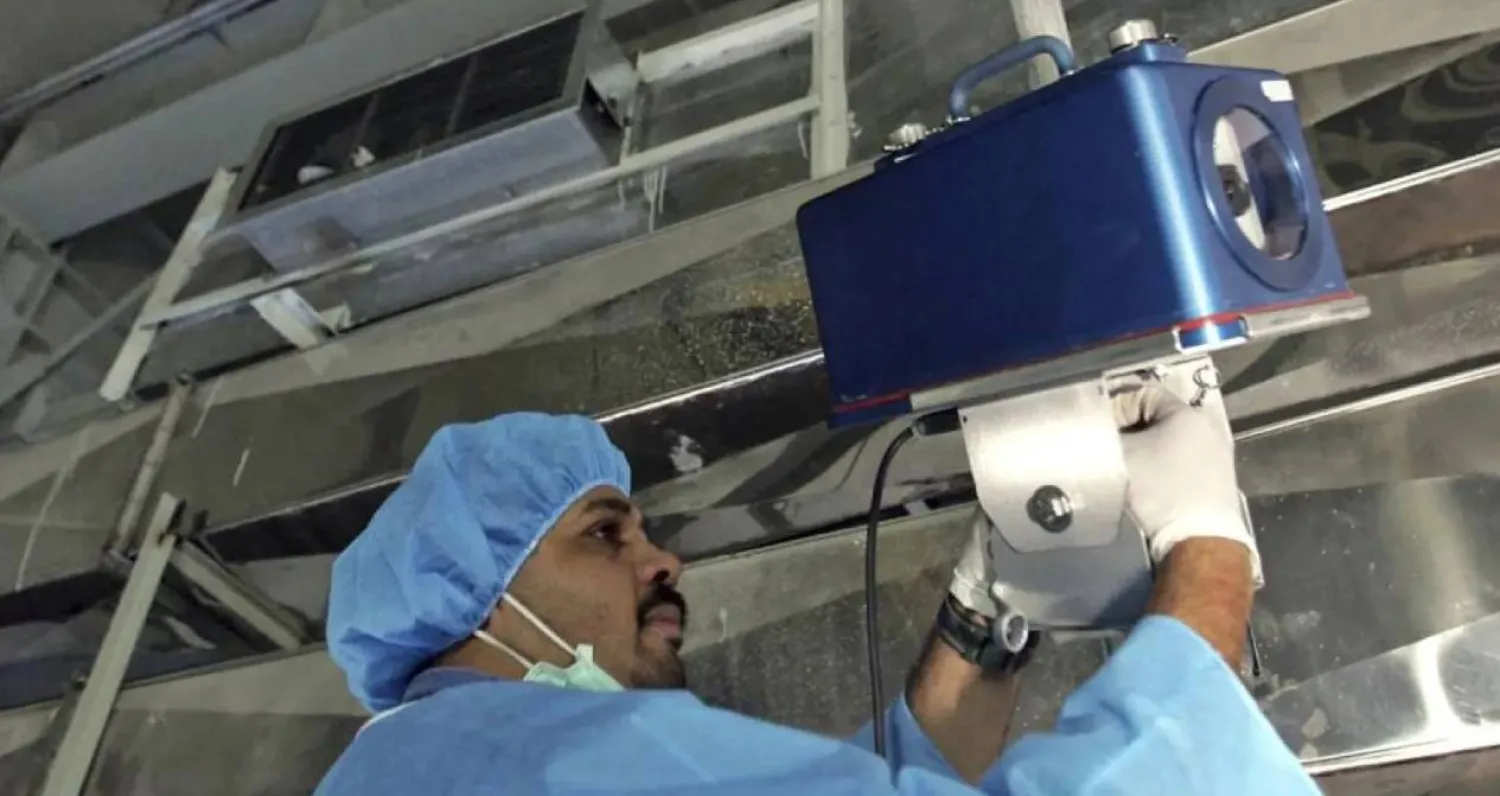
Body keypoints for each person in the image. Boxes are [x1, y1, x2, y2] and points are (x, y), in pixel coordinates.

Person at [314, 385, 1317, 795]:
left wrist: (986, 616)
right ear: (481, 598)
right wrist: (1207, 552)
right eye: (606, 533)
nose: (662, 562)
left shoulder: (423, 767)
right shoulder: (517, 763)